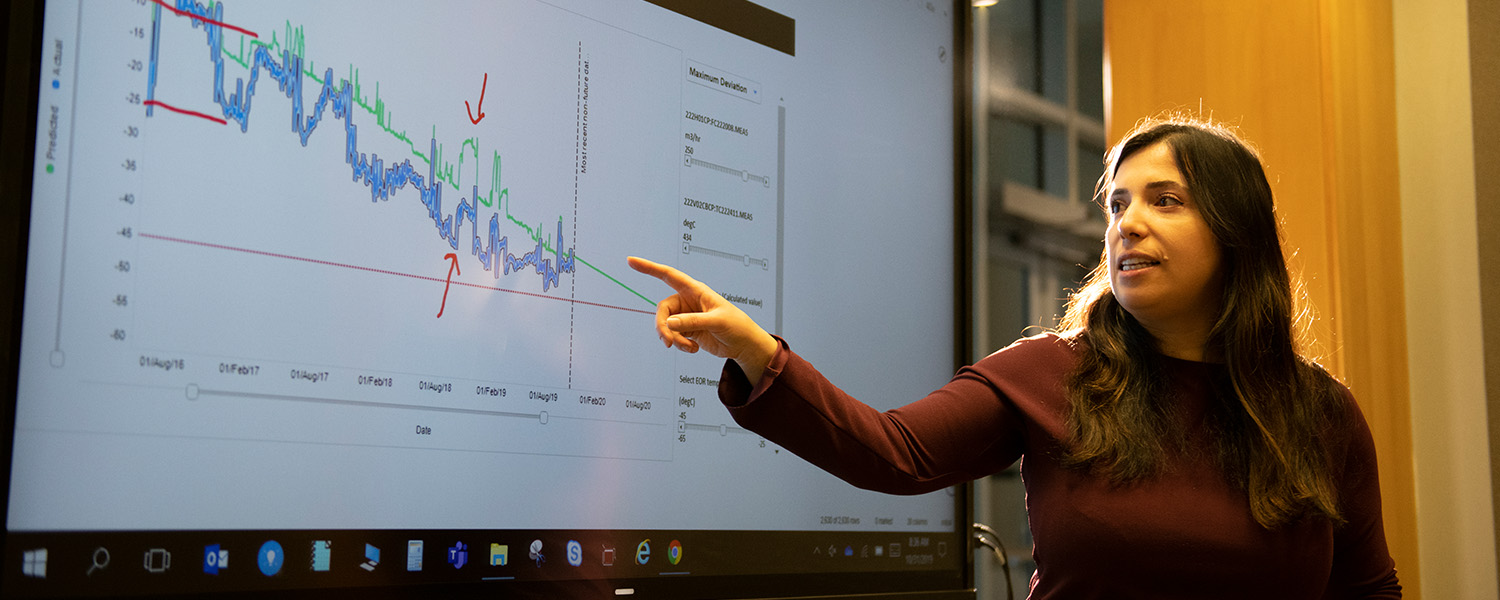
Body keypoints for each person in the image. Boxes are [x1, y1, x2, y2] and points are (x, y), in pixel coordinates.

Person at [626, 116, 1401, 599]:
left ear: (1237, 235)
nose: (1127, 224)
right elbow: (891, 454)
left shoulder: (1319, 414)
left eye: (1164, 200)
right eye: (1117, 205)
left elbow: (1367, 591)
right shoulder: (1052, 374)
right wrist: (752, 349)